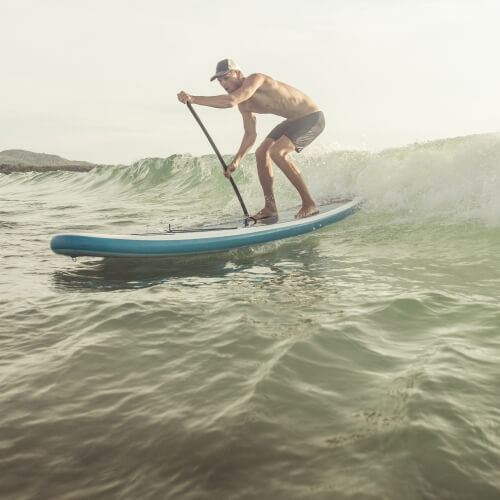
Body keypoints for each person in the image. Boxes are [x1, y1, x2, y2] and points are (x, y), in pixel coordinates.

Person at [177, 58, 325, 219]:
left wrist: (194, 99)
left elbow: (231, 101)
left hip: (312, 118)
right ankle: (270, 207)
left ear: (239, 74)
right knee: (261, 153)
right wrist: (237, 161)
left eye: (226, 78)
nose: (223, 83)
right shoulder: (245, 105)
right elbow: (250, 135)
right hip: (292, 121)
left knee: (277, 152)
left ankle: (309, 204)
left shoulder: (256, 79)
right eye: (219, 80)